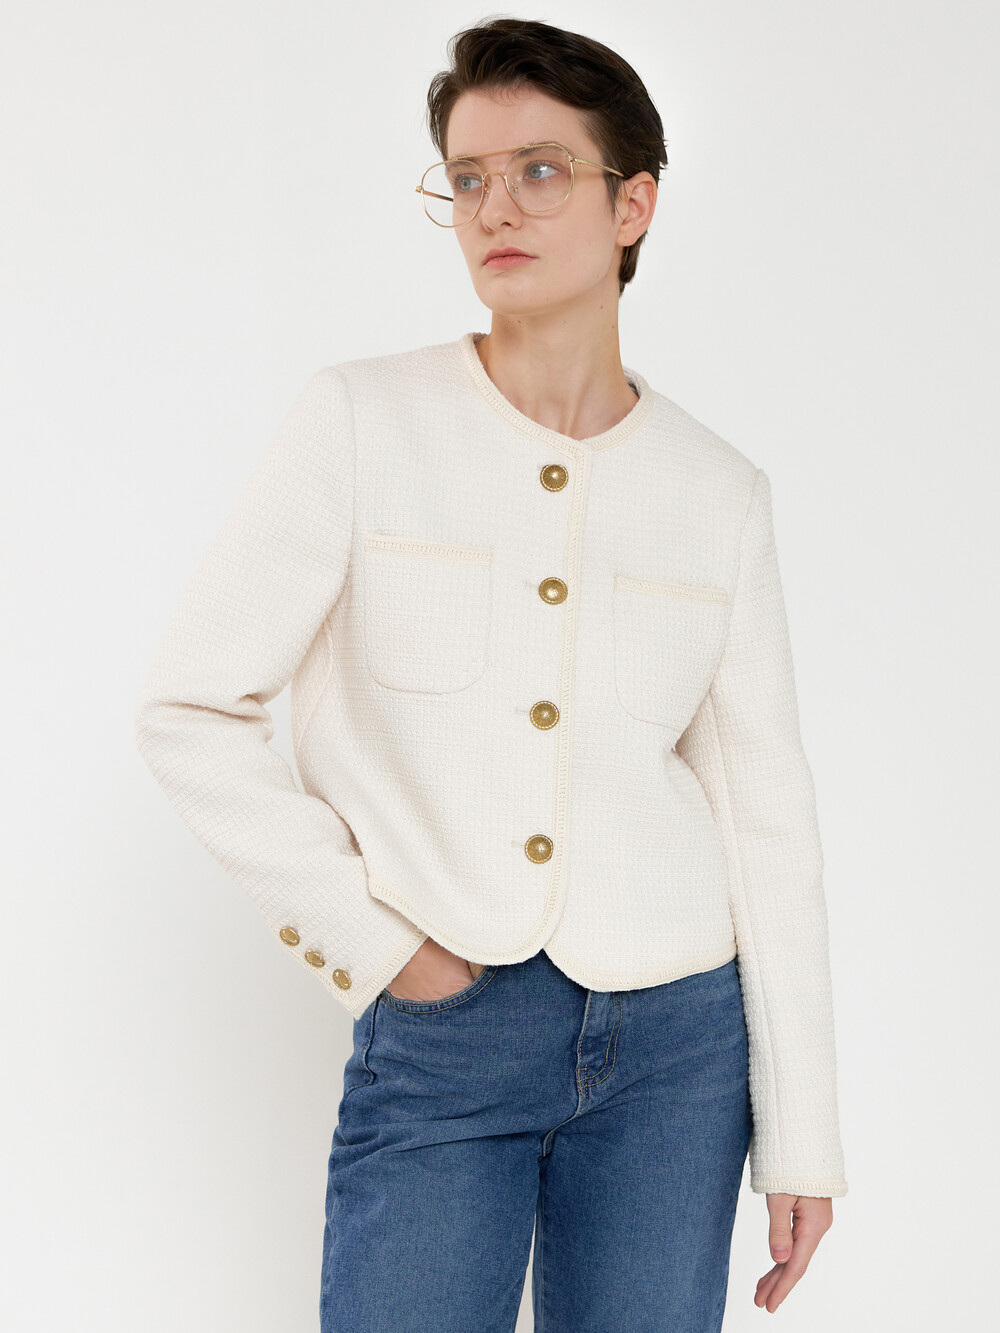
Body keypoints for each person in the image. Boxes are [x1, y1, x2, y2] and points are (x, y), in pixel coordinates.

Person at [134, 17, 848, 1332]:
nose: (494, 208)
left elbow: (765, 808)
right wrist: (381, 947)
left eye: (539, 171)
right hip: (447, 1026)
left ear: (633, 204)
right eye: (466, 177)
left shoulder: (719, 491)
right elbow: (191, 710)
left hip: (681, 1049)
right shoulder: (362, 420)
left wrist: (803, 1130)